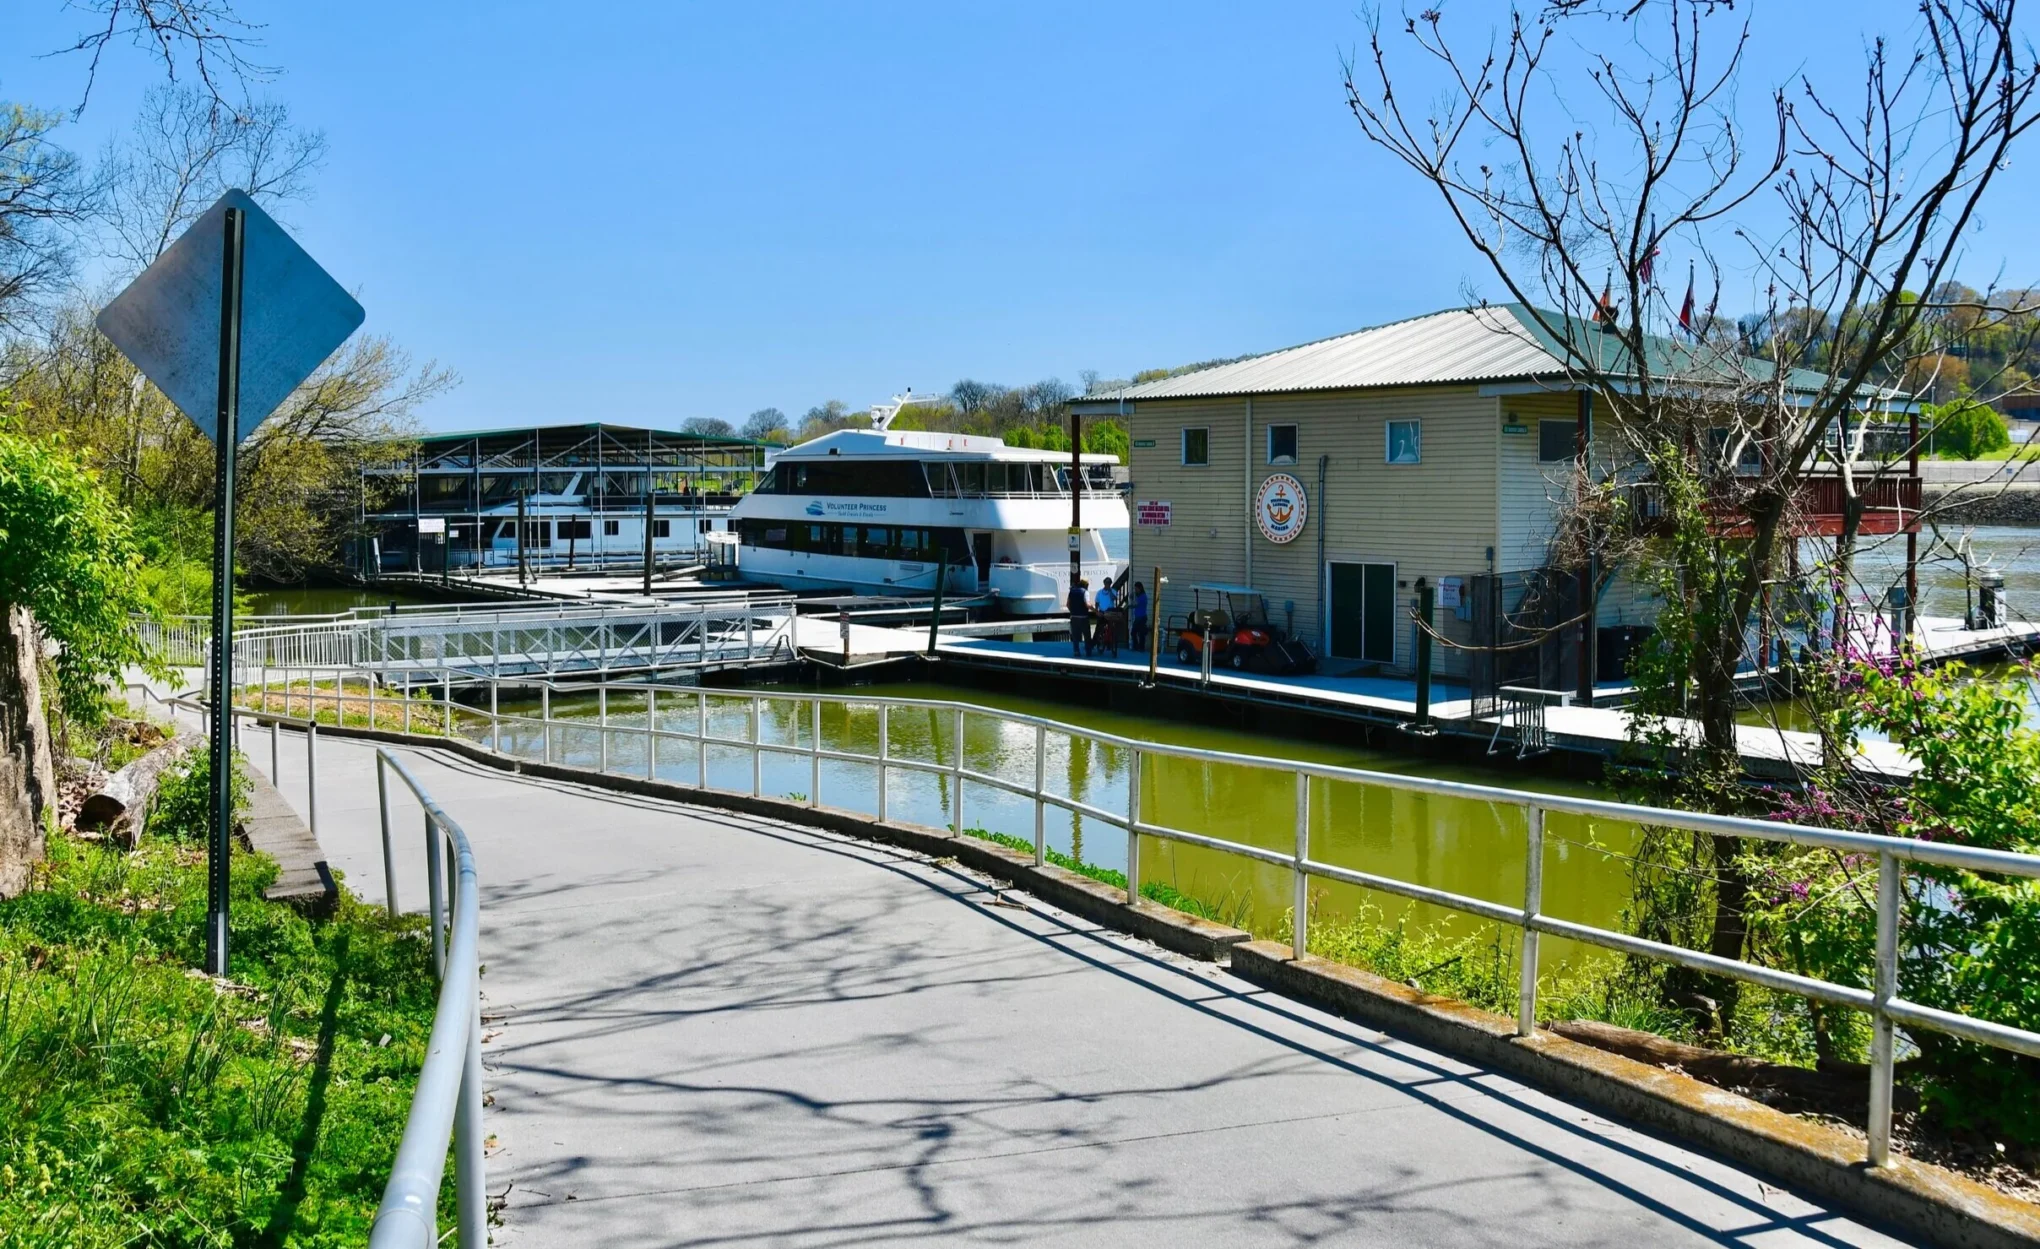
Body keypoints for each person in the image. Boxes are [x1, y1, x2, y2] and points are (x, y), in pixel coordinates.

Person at [1092, 581, 1118, 657]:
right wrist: (1096, 611)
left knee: (1112, 628)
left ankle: (1111, 644)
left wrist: (1110, 591)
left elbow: (1114, 598)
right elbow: (1097, 602)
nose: (1108, 585)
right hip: (1102, 612)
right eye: (1106, 583)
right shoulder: (1100, 592)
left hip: (1110, 612)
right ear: (1104, 583)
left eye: (1109, 583)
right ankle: (1093, 643)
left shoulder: (1113, 591)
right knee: (1098, 629)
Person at [1067, 579, 1090, 657]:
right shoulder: (1085, 592)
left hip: (1073, 617)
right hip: (1083, 617)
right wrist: (1095, 610)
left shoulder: (1071, 592)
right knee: (1086, 635)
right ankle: (1088, 651)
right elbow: (1087, 604)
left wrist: (1072, 611)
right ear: (1086, 585)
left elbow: (1067, 604)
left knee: (1075, 635)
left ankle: (1076, 651)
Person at [1129, 582, 1150, 654]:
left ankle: (1140, 647)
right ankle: (1138, 647)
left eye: (1136, 589)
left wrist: (1130, 605)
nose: (1135, 590)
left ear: (1140, 588)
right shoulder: (1139, 596)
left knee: (1139, 633)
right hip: (1138, 617)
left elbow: (1136, 604)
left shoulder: (1143, 596)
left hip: (1142, 617)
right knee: (1135, 632)